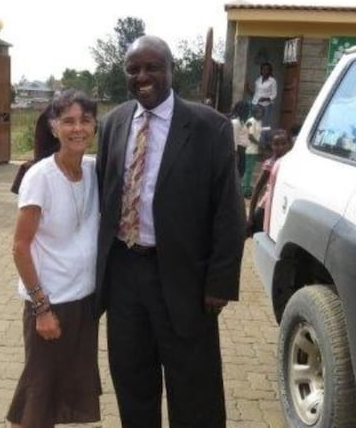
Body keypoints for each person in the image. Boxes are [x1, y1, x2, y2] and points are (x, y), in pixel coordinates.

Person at [96, 35, 245, 428]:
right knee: (132, 379)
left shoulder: (208, 127)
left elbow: (228, 211)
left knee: (194, 388)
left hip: (185, 279)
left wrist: (220, 282)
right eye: (134, 69)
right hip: (125, 273)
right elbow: (103, 198)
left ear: (170, 70)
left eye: (152, 67)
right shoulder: (112, 124)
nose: (142, 76)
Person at [6, 89, 102, 428]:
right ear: (53, 127)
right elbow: (19, 246)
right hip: (51, 304)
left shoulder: (92, 172)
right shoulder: (40, 177)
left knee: (54, 393)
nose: (78, 129)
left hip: (83, 304)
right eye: (69, 121)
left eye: (85, 120)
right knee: (38, 395)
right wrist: (41, 308)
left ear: (94, 126)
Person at [247, 129, 292, 237]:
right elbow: (257, 188)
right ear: (271, 145)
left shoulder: (291, 163)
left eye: (283, 143)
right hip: (266, 206)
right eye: (276, 144)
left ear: (289, 144)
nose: (280, 147)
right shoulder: (270, 164)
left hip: (282, 206)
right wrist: (251, 216)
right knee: (259, 236)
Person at [249, 62, 278, 152]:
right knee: (254, 124)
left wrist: (266, 99)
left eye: (267, 69)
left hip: (266, 106)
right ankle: (254, 144)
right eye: (263, 69)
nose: (265, 71)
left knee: (264, 125)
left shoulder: (272, 81)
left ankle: (263, 145)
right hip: (255, 104)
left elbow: (274, 94)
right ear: (261, 70)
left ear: (270, 71)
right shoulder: (258, 80)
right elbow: (256, 93)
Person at [242, 105, 263, 198]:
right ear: (254, 112)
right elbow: (250, 136)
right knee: (248, 171)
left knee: (250, 171)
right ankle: (245, 191)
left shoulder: (259, 122)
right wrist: (260, 144)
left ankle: (247, 188)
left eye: (261, 112)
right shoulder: (251, 121)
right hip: (249, 149)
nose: (260, 114)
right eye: (258, 112)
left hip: (255, 150)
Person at [230, 101, 249, 179]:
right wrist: (235, 155)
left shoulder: (242, 122)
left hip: (242, 151)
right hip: (238, 152)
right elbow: (234, 139)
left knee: (240, 173)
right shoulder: (235, 123)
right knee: (237, 174)